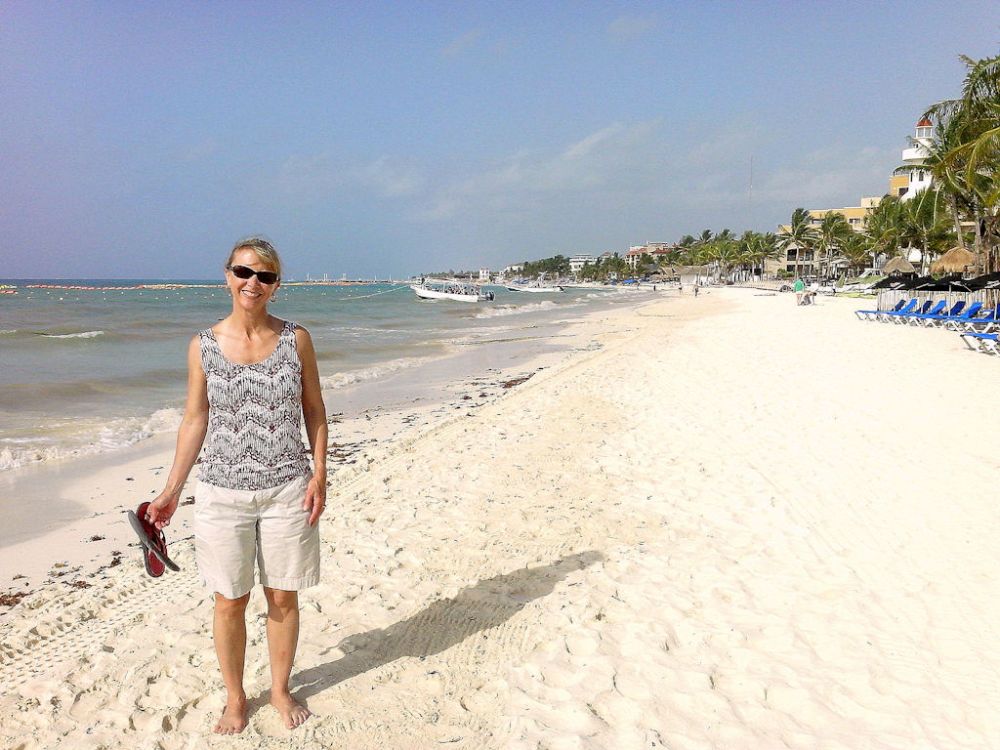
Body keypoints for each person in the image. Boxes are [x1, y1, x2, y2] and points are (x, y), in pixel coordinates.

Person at [146, 237, 327, 734]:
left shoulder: (296, 339)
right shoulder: (202, 345)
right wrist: (171, 491)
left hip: (288, 488)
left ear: (276, 285)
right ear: (227, 276)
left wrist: (319, 473)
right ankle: (235, 697)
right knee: (230, 600)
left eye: (265, 276)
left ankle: (280, 689)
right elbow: (194, 419)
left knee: (283, 596)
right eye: (244, 272)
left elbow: (314, 409)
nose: (253, 283)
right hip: (221, 493)